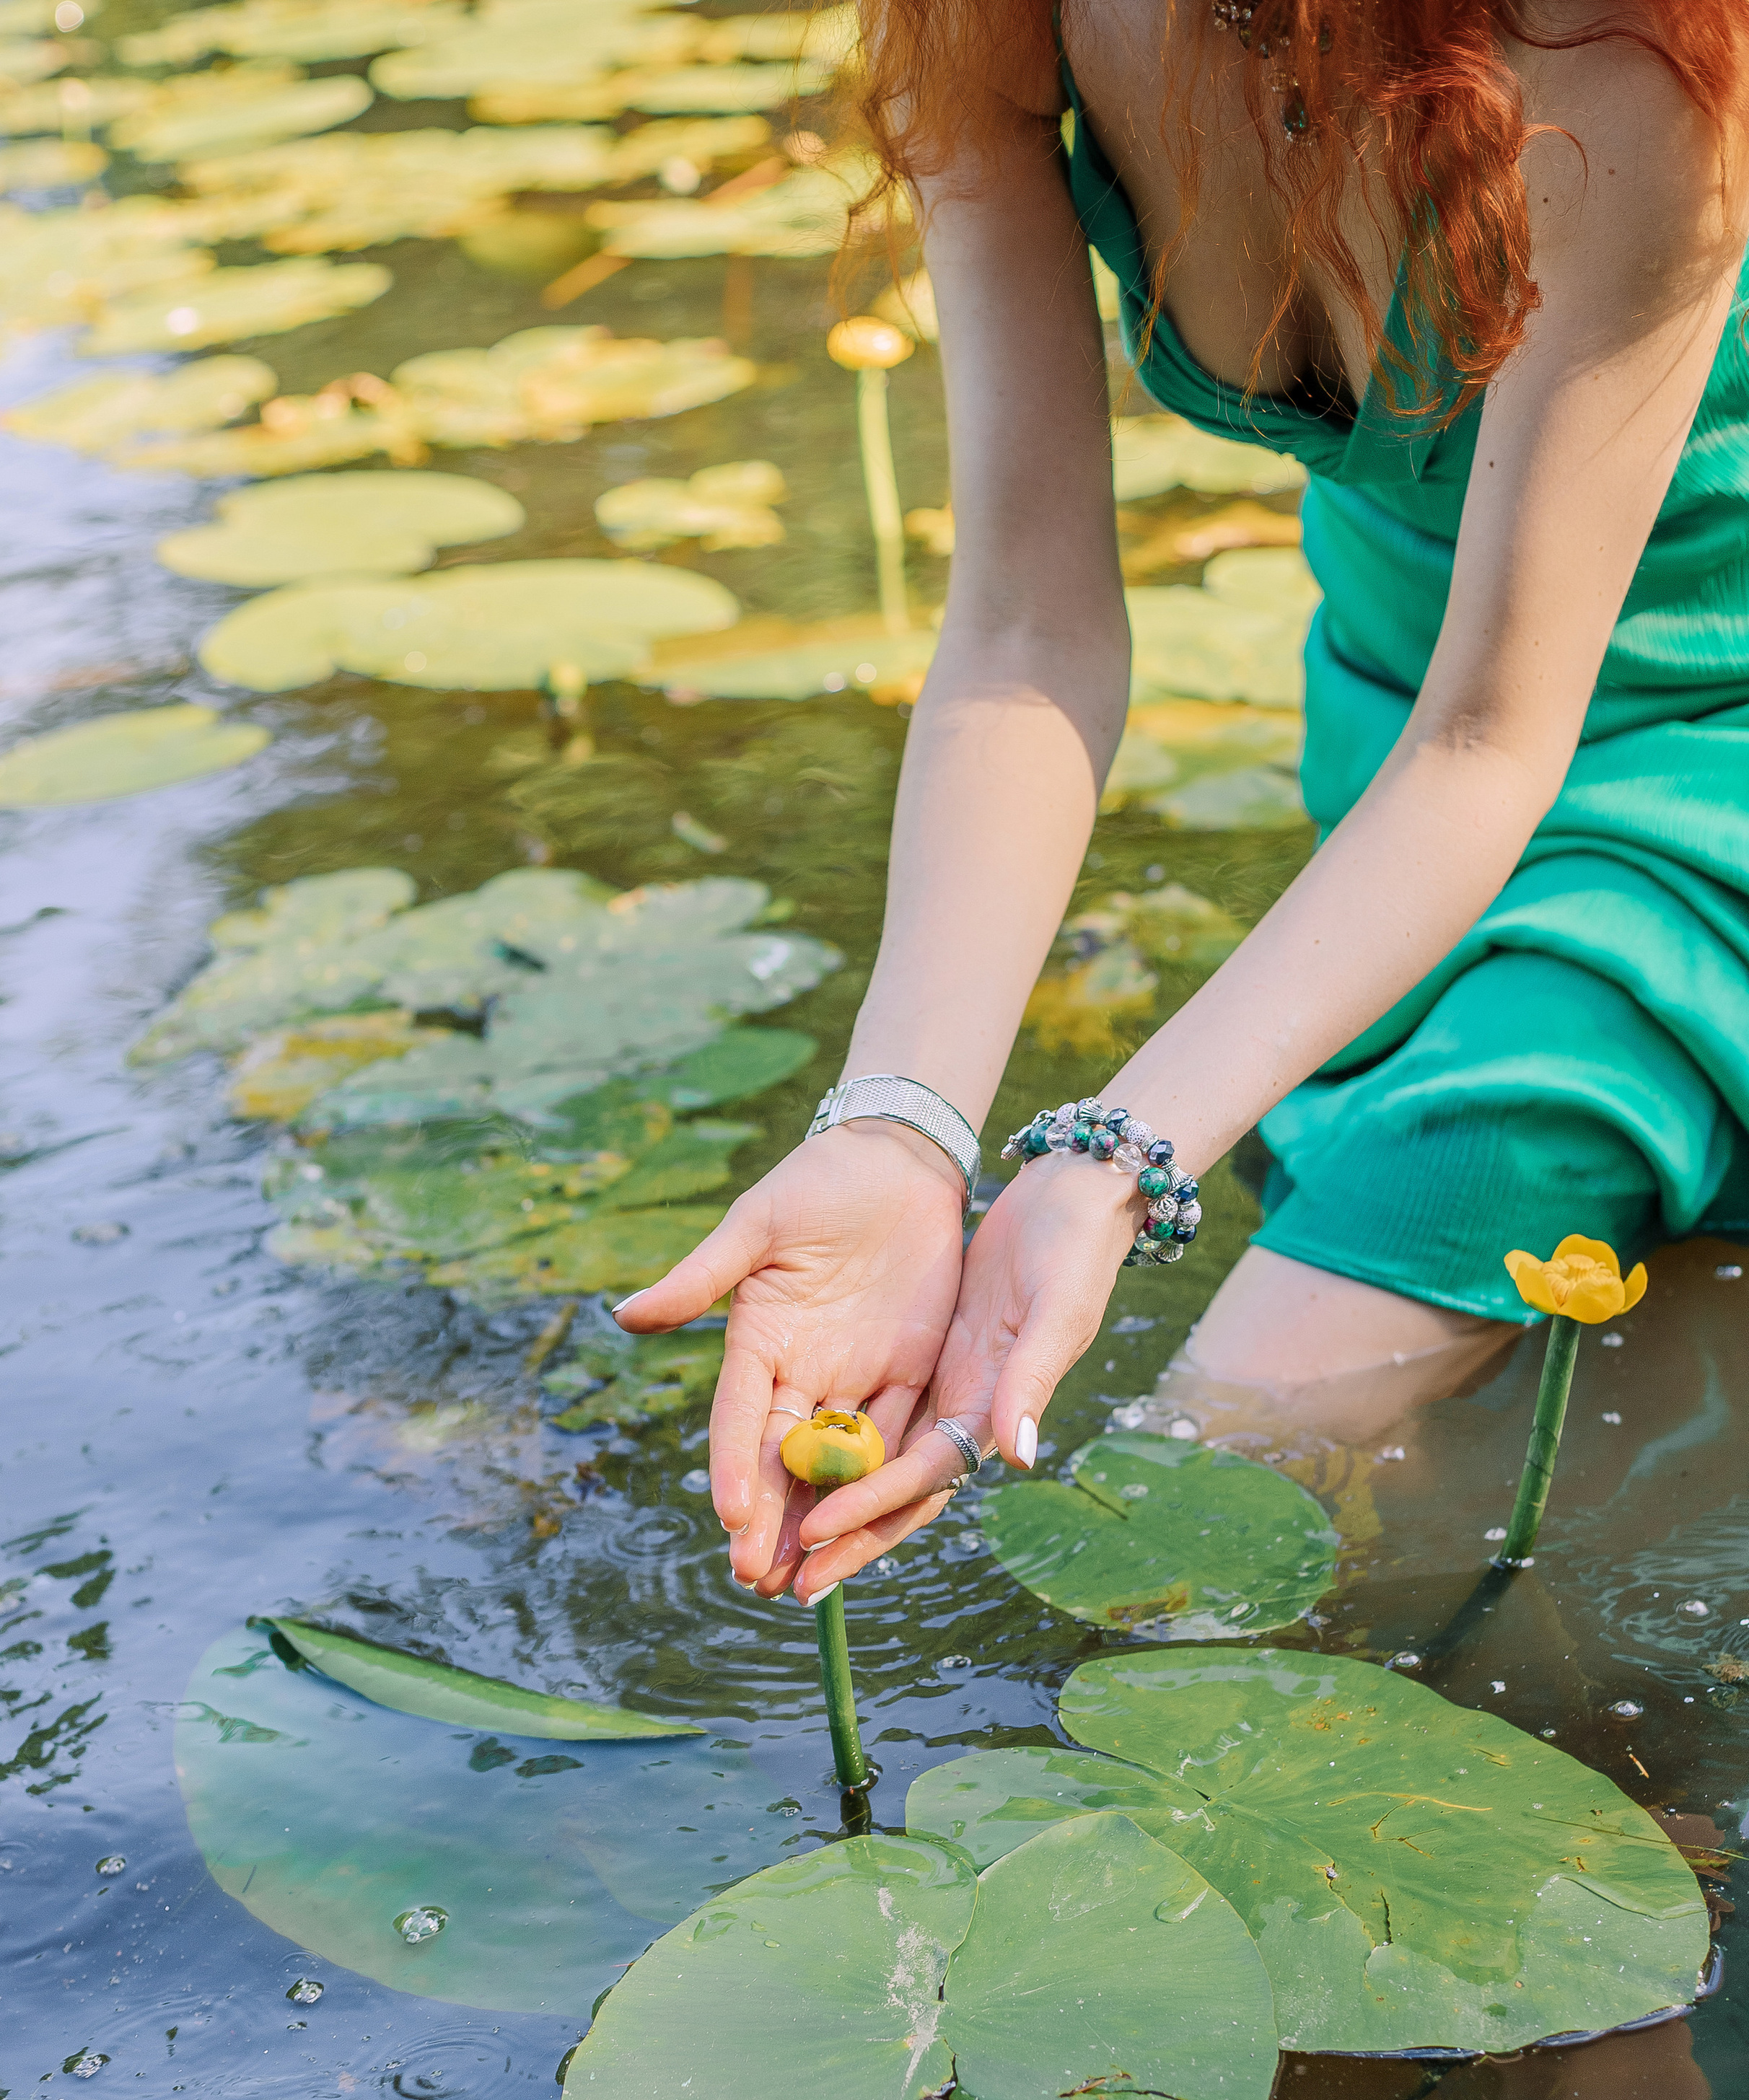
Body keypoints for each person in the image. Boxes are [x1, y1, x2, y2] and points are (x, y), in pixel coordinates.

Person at [615, 0, 1749, 1604]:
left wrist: (1106, 1163)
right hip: (1392, 729)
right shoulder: (990, 20)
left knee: (1213, 1458)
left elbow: (1495, 738)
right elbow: (1023, 629)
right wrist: (896, 1132)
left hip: (1686, 739)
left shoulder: (1618, 41)